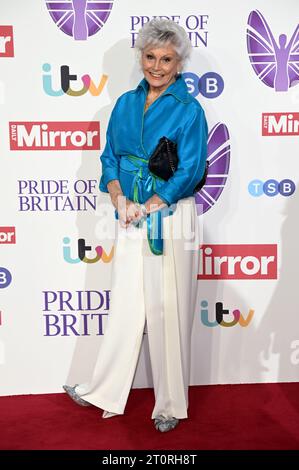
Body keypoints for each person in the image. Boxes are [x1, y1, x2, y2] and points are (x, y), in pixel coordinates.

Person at [63, 18, 207, 433]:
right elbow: (109, 155)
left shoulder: (189, 110)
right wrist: (118, 197)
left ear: (179, 64)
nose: (157, 67)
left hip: (170, 215)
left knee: (167, 309)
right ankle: (103, 390)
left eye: (166, 59)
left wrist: (153, 204)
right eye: (150, 57)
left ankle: (169, 405)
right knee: (125, 302)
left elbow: (193, 167)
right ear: (140, 57)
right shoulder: (125, 103)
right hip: (127, 212)